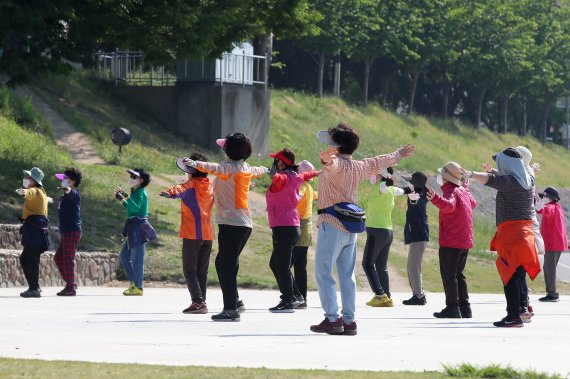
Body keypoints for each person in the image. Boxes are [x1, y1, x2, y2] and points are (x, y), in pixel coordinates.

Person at [309, 123, 414, 336]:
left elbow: (332, 166)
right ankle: (349, 320)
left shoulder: (336, 164)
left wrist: (327, 160)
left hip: (332, 222)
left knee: (323, 272)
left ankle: (332, 319)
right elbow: (378, 162)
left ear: (336, 146)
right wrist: (398, 154)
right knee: (347, 275)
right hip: (351, 227)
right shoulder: (359, 166)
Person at [183, 133, 268, 322]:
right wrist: (266, 169)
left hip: (231, 224)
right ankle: (235, 302)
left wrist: (194, 163)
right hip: (244, 225)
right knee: (229, 264)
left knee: (224, 265)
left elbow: (211, 167)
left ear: (228, 150)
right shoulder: (245, 167)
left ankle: (231, 309)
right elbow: (258, 169)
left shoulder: (227, 168)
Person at [464, 148, 541, 327]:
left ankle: (513, 316)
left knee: (510, 276)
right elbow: (502, 178)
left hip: (512, 235)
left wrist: (471, 174)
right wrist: (492, 171)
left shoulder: (511, 182)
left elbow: (491, 180)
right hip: (524, 234)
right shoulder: (527, 179)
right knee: (518, 275)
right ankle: (522, 309)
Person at [266, 149, 318, 313]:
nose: (275, 163)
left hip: (284, 226)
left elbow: (279, 179)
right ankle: (294, 296)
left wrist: (273, 176)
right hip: (290, 226)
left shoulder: (284, 178)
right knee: (278, 264)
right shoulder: (296, 177)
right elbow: (307, 175)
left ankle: (289, 300)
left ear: (282, 163)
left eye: (277, 161)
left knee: (282, 265)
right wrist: (321, 171)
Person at [161, 153, 214, 314]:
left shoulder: (191, 184)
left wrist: (169, 193)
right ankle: (201, 301)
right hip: (208, 234)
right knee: (201, 271)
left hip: (193, 233)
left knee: (189, 269)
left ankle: (198, 302)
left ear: (191, 170)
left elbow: (179, 189)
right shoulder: (210, 185)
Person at [426, 161, 476, 319]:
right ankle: (465, 307)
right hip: (464, 240)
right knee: (459, 274)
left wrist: (434, 198)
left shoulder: (450, 190)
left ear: (445, 177)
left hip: (451, 241)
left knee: (449, 275)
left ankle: (453, 307)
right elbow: (473, 203)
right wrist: (466, 189)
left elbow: (449, 206)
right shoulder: (463, 190)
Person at [363, 167, 411, 308]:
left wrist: (388, 181)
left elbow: (385, 186)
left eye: (376, 173)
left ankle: (379, 295)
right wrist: (409, 190)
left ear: (381, 176)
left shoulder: (382, 187)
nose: (373, 175)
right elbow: (401, 191)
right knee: (380, 265)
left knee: (367, 264)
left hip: (376, 232)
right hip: (387, 232)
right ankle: (386, 296)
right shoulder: (390, 190)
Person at [115, 168, 156, 296]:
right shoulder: (136, 191)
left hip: (139, 227)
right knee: (124, 256)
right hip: (133, 226)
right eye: (131, 176)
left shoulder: (140, 192)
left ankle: (138, 287)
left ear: (141, 180)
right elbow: (132, 208)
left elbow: (135, 207)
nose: (131, 178)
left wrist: (124, 197)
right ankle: (134, 283)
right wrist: (123, 198)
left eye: (134, 177)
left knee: (137, 259)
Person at [16, 167, 50, 298]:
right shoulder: (41, 191)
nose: (26, 179)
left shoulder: (34, 190)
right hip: (35, 228)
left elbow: (28, 193)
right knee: (26, 258)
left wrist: (22, 191)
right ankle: (34, 286)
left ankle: (34, 288)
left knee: (31, 259)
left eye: (28, 177)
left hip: (35, 229)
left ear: (33, 180)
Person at [291, 160, 317, 309]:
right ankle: (303, 298)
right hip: (307, 230)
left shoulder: (300, 186)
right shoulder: (308, 186)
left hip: (299, 227)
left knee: (287, 265)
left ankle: (297, 295)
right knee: (301, 266)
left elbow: (296, 199)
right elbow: (315, 195)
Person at [401, 172, 430, 306]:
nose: (409, 183)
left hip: (419, 235)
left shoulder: (421, 195)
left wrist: (412, 197)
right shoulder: (418, 193)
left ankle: (419, 296)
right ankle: (417, 294)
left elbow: (416, 201)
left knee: (414, 267)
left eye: (411, 182)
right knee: (411, 266)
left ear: (416, 184)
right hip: (417, 235)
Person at [54, 168, 83, 296]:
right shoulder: (64, 196)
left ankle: (70, 287)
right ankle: (71, 283)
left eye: (66, 179)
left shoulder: (74, 193)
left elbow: (71, 192)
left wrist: (68, 189)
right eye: (63, 179)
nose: (63, 181)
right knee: (58, 258)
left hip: (72, 231)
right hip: (66, 231)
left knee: (67, 259)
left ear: (73, 182)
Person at [536, 187, 568, 302]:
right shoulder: (556, 207)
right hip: (554, 243)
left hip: (552, 243)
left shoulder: (551, 207)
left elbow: (541, 210)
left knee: (550, 268)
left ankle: (552, 294)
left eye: (544, 197)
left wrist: (536, 202)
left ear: (550, 198)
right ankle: (551, 292)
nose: (543, 199)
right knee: (548, 267)